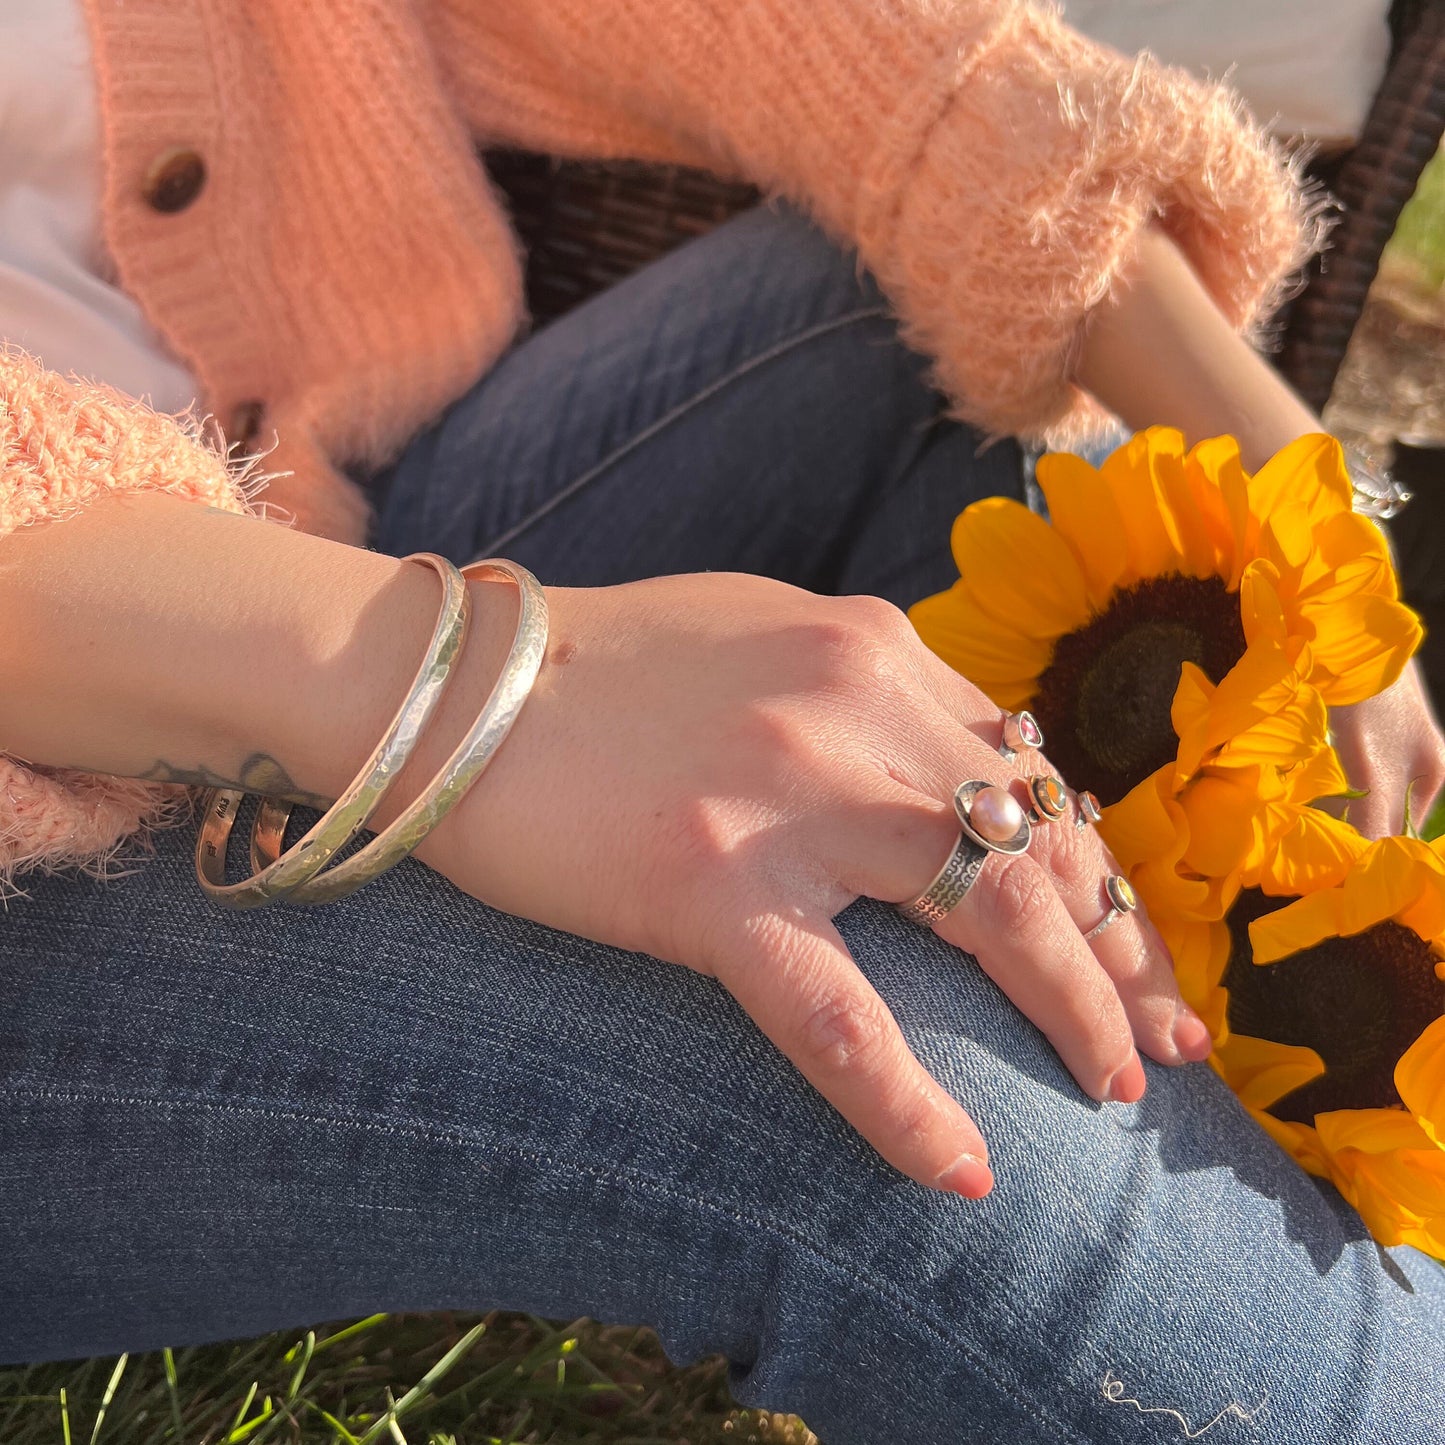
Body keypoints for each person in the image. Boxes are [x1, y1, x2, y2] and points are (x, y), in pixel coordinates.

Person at [2, 1, 1442, 1439]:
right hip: (55, 809)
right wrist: (510, 692)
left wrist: (1305, 504)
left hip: (357, 529)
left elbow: (850, 65)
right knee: (847, 1057)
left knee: (938, 301)